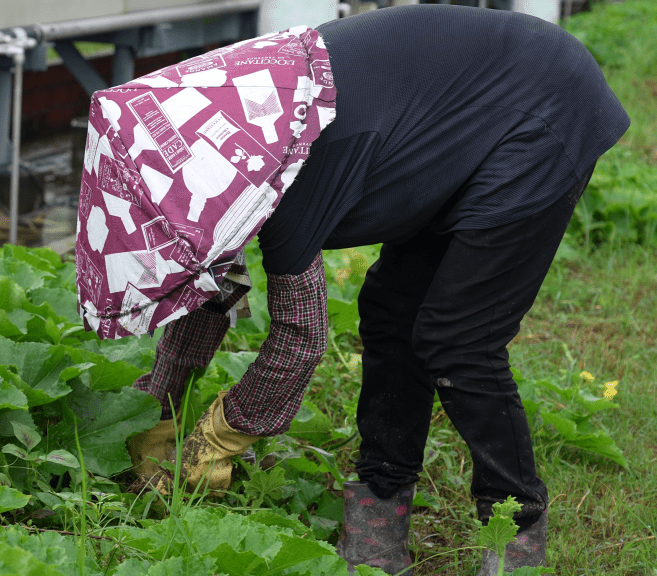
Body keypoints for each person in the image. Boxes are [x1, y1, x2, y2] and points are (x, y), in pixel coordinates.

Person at [124, 4, 629, 574]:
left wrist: (222, 435)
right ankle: (383, 507)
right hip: (444, 116)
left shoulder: (286, 173)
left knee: (458, 337)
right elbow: (212, 288)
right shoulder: (219, 157)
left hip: (539, 101)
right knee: (391, 312)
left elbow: (301, 337)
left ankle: (516, 525)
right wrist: (157, 404)